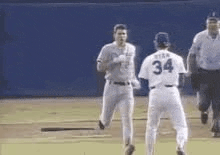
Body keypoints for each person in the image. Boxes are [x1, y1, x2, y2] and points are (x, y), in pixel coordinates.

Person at [138, 32, 188, 155]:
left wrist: (150, 92)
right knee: (181, 126)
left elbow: (142, 79)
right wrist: (176, 90)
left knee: (151, 127)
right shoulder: (177, 58)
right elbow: (182, 78)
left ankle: (149, 153)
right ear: (168, 44)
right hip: (172, 91)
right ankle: (180, 146)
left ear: (156, 44)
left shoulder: (149, 59)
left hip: (155, 91)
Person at [96, 24, 140, 155]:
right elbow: (99, 67)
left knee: (127, 118)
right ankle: (102, 121)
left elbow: (130, 67)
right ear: (114, 35)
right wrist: (114, 61)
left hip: (126, 88)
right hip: (112, 86)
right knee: (107, 120)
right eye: (119, 34)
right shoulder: (107, 49)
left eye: (124, 34)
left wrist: (133, 79)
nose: (122, 36)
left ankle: (127, 145)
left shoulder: (131, 48)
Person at [187, 14, 220, 137]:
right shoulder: (200, 37)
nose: (212, 27)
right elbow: (192, 54)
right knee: (203, 103)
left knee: (218, 102)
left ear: (218, 25)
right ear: (207, 26)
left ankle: (216, 127)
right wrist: (191, 70)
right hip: (204, 72)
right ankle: (204, 111)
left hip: (218, 72)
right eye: (210, 25)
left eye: (214, 25)